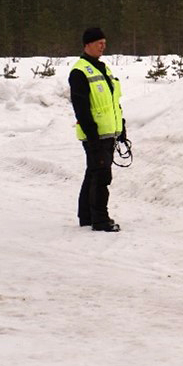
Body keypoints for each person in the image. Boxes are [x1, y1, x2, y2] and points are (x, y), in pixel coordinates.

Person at [69, 27, 127, 232]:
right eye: (98, 42)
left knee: (93, 173)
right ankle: (100, 220)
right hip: (95, 135)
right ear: (87, 45)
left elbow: (113, 103)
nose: (103, 45)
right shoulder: (79, 71)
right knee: (102, 176)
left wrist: (122, 128)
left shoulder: (104, 69)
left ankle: (86, 216)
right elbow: (81, 108)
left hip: (108, 133)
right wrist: (92, 135)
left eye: (104, 42)